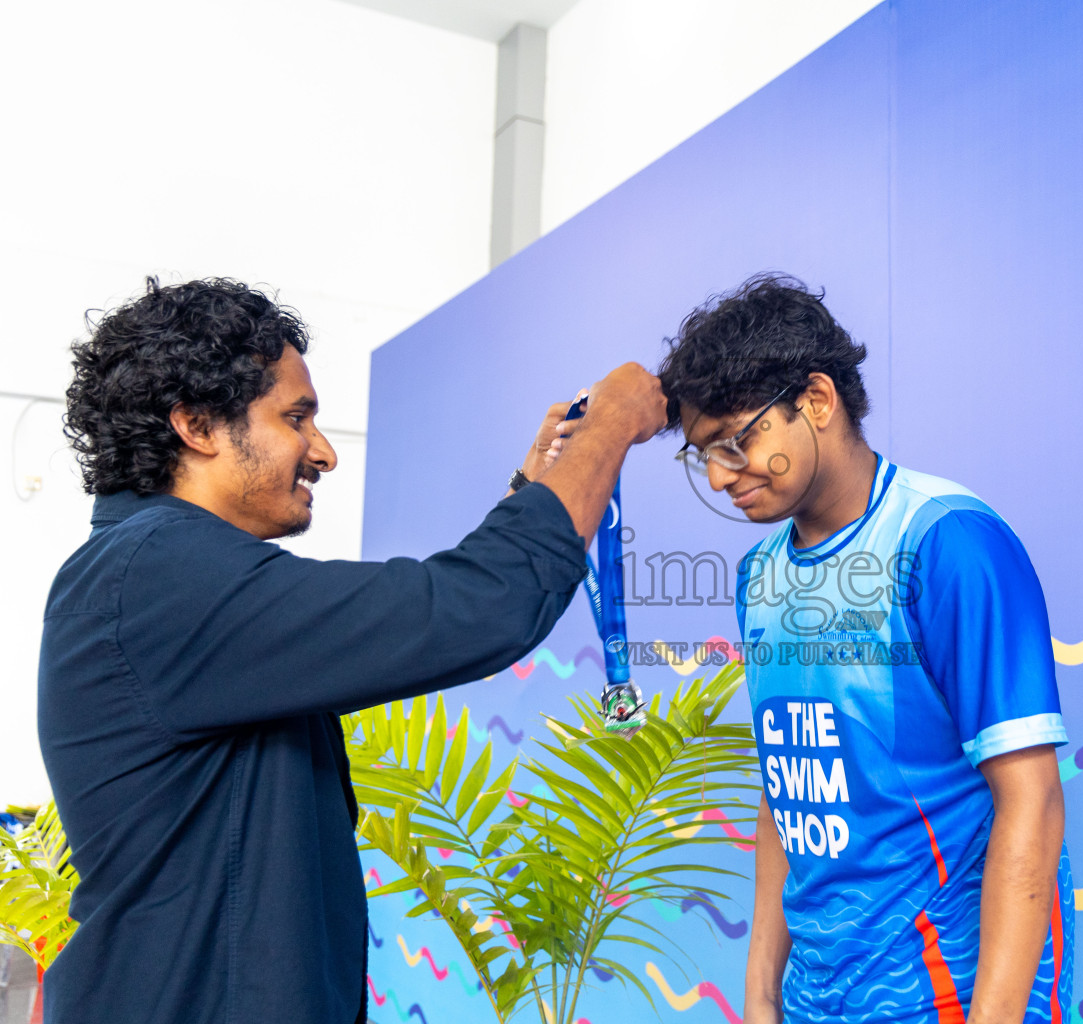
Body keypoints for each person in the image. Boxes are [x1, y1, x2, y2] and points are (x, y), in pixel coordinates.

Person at [38, 277, 665, 1024]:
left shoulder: (156, 577)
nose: (324, 453)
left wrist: (536, 485)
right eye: (295, 418)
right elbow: (476, 610)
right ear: (198, 426)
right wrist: (608, 430)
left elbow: (435, 618)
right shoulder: (158, 575)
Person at [658, 274, 1072, 1024]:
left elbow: (1032, 798)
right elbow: (788, 790)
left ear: (816, 401)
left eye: (735, 442)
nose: (719, 476)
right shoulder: (760, 576)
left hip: (944, 992)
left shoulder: (946, 542)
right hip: (819, 997)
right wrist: (759, 997)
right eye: (702, 455)